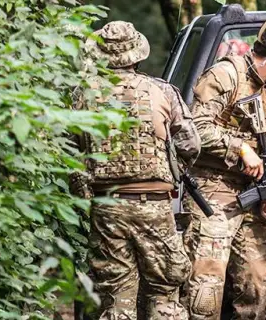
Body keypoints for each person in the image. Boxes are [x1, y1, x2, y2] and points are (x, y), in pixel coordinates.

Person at [70, 21, 201, 320]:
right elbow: (191, 145)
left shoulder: (82, 96)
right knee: (165, 294)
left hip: (107, 208)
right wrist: (174, 166)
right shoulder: (162, 91)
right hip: (154, 206)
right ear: (138, 55)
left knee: (117, 298)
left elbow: (69, 152)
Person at [181, 13, 266, 320]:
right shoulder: (225, 75)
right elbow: (194, 128)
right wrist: (239, 148)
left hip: (254, 197)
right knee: (204, 292)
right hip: (213, 194)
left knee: (258, 288)